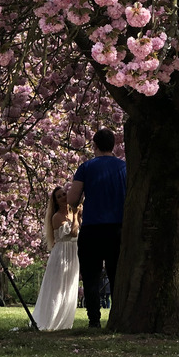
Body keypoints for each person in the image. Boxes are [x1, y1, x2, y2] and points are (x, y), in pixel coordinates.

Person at [68, 128, 126, 329]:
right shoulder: (124, 168)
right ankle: (117, 318)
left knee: (91, 276)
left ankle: (94, 320)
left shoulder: (86, 167)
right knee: (116, 275)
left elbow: (73, 200)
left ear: (94, 145)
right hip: (117, 229)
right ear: (114, 146)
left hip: (92, 228)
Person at [31, 185, 81, 331]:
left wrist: (77, 215)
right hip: (62, 253)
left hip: (73, 252)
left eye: (64, 194)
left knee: (69, 286)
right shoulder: (57, 217)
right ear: (55, 201)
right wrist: (77, 216)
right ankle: (51, 319)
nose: (63, 198)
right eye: (59, 196)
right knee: (58, 286)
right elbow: (72, 233)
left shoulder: (73, 213)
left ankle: (65, 322)